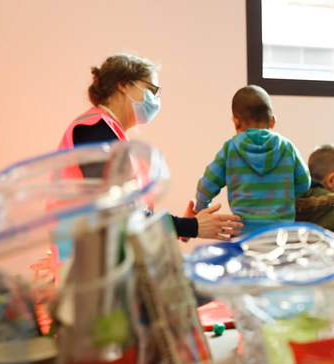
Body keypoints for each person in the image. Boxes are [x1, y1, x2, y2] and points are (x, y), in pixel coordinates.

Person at [58, 53, 242, 240]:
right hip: (85, 257)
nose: (156, 99)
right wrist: (187, 226)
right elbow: (117, 209)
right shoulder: (93, 129)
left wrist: (179, 228)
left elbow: (134, 212)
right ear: (123, 85)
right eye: (152, 89)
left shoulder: (114, 137)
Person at [194, 85, 311, 235]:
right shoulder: (287, 147)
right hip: (281, 233)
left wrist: (201, 207)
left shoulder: (230, 149)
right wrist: (286, 196)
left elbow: (207, 184)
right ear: (272, 121)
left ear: (235, 121)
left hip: (243, 233)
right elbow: (304, 183)